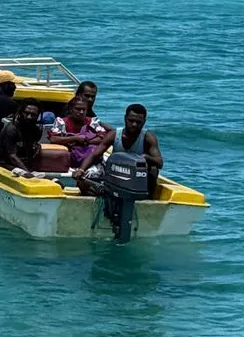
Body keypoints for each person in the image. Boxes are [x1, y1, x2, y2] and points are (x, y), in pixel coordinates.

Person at [77, 103, 164, 241]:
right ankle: (102, 197)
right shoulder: (114, 135)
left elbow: (159, 162)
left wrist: (145, 157)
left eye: (138, 122)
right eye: (131, 121)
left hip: (136, 183)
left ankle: (147, 202)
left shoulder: (148, 137)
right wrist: (81, 170)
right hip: (114, 177)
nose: (134, 124)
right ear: (125, 119)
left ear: (144, 122)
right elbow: (95, 155)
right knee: (83, 180)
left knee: (153, 169)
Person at [49, 93, 111, 173]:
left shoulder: (92, 122)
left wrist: (86, 141)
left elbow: (103, 138)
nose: (81, 112)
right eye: (78, 109)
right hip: (68, 160)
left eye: (84, 110)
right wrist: (75, 138)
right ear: (71, 109)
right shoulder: (61, 122)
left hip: (90, 160)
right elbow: (53, 139)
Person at [0, 100, 46, 172]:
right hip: (7, 166)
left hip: (25, 166)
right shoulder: (11, 129)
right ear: (21, 112)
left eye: (33, 114)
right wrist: (27, 172)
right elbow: (12, 156)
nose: (29, 117)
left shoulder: (36, 131)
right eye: (26, 113)